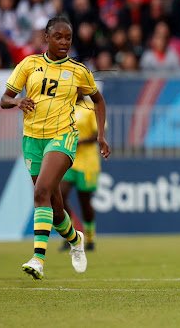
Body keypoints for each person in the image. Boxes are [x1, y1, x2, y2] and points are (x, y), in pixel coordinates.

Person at [0, 16, 110, 280]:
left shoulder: (78, 71)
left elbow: (98, 101)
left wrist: (101, 136)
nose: (64, 42)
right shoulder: (29, 64)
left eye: (68, 38)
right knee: (54, 206)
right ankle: (75, 239)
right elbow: (5, 99)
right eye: (58, 37)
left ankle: (38, 259)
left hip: (62, 137)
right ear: (46, 38)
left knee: (41, 192)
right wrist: (17, 103)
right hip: (32, 139)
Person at [59, 94, 102, 251]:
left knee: (85, 202)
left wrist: (79, 141)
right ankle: (70, 236)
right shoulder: (64, 107)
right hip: (68, 160)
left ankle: (90, 238)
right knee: (60, 196)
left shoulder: (91, 107)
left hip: (87, 162)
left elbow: (97, 133)